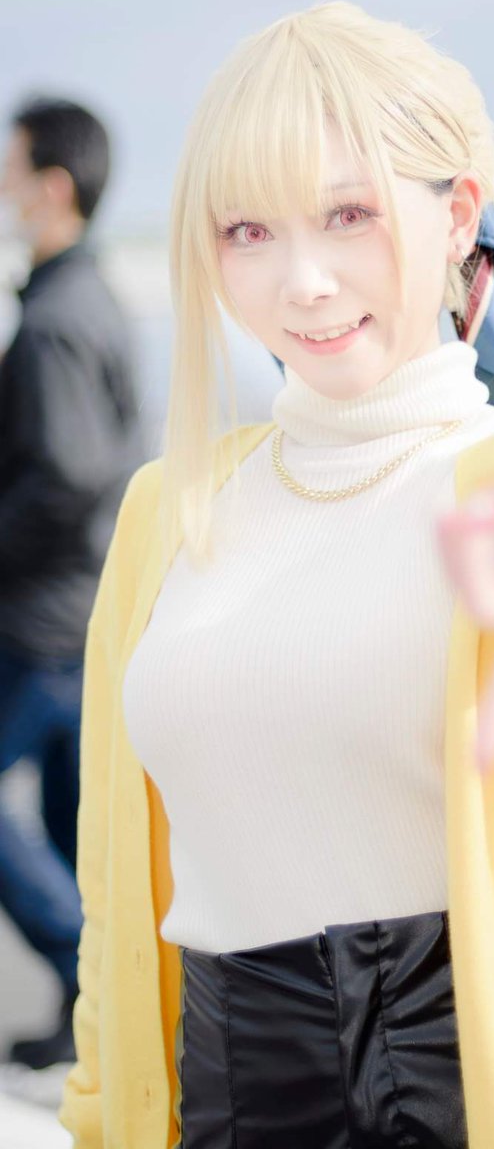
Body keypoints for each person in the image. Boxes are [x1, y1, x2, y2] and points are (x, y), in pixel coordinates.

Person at [59, 3, 494, 1148]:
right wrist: (98, 1112)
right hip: (222, 1103)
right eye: (247, 231)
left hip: (476, 1098)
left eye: (348, 215)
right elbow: (115, 898)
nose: (303, 282)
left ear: (456, 215)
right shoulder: (169, 510)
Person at [0, 97, 143, 1069]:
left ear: (52, 188)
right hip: (87, 607)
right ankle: (94, 1016)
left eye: (11, 170)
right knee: (72, 824)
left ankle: (87, 977)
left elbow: (68, 475)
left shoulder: (56, 319)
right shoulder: (90, 297)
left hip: (41, 618)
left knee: (69, 823)